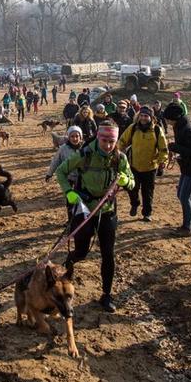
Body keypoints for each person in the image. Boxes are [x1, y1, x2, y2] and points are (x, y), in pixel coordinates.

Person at [56, 121, 135, 313]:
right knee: (81, 252)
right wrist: (69, 193)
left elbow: (132, 182)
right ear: (98, 138)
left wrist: (126, 181)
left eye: (112, 141)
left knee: (108, 254)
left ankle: (106, 295)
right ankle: (65, 273)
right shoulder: (85, 154)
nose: (108, 145)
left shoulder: (120, 159)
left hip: (107, 211)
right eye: (105, 140)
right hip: (84, 210)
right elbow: (61, 172)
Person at [117, 106, 168, 222]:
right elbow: (122, 141)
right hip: (133, 166)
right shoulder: (133, 128)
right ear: (139, 116)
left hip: (150, 167)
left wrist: (162, 161)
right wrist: (118, 152)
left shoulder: (157, 130)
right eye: (142, 115)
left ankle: (147, 213)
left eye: (146, 116)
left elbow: (163, 148)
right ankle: (135, 204)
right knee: (132, 189)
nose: (143, 118)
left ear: (151, 117)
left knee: (148, 191)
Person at [164, 103, 191, 237]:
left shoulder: (188, 130)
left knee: (184, 196)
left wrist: (175, 148)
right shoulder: (180, 126)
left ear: (173, 118)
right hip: (188, 167)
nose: (166, 121)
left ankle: (187, 228)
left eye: (167, 119)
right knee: (181, 194)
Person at [45, 126, 83, 220]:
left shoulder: (85, 148)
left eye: (77, 136)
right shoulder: (63, 148)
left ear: (80, 137)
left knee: (82, 199)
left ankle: (82, 220)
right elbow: (56, 161)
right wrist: (49, 173)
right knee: (70, 199)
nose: (75, 138)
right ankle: (70, 220)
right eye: (72, 136)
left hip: (82, 178)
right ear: (68, 137)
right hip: (69, 178)